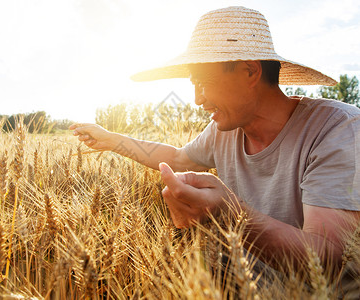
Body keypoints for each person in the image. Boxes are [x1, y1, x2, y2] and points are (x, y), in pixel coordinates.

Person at [70, 6, 359, 279]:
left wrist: (231, 214)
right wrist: (111, 140)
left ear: (249, 71)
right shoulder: (225, 129)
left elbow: (329, 259)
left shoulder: (338, 130)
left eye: (203, 81)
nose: (197, 99)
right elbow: (178, 159)